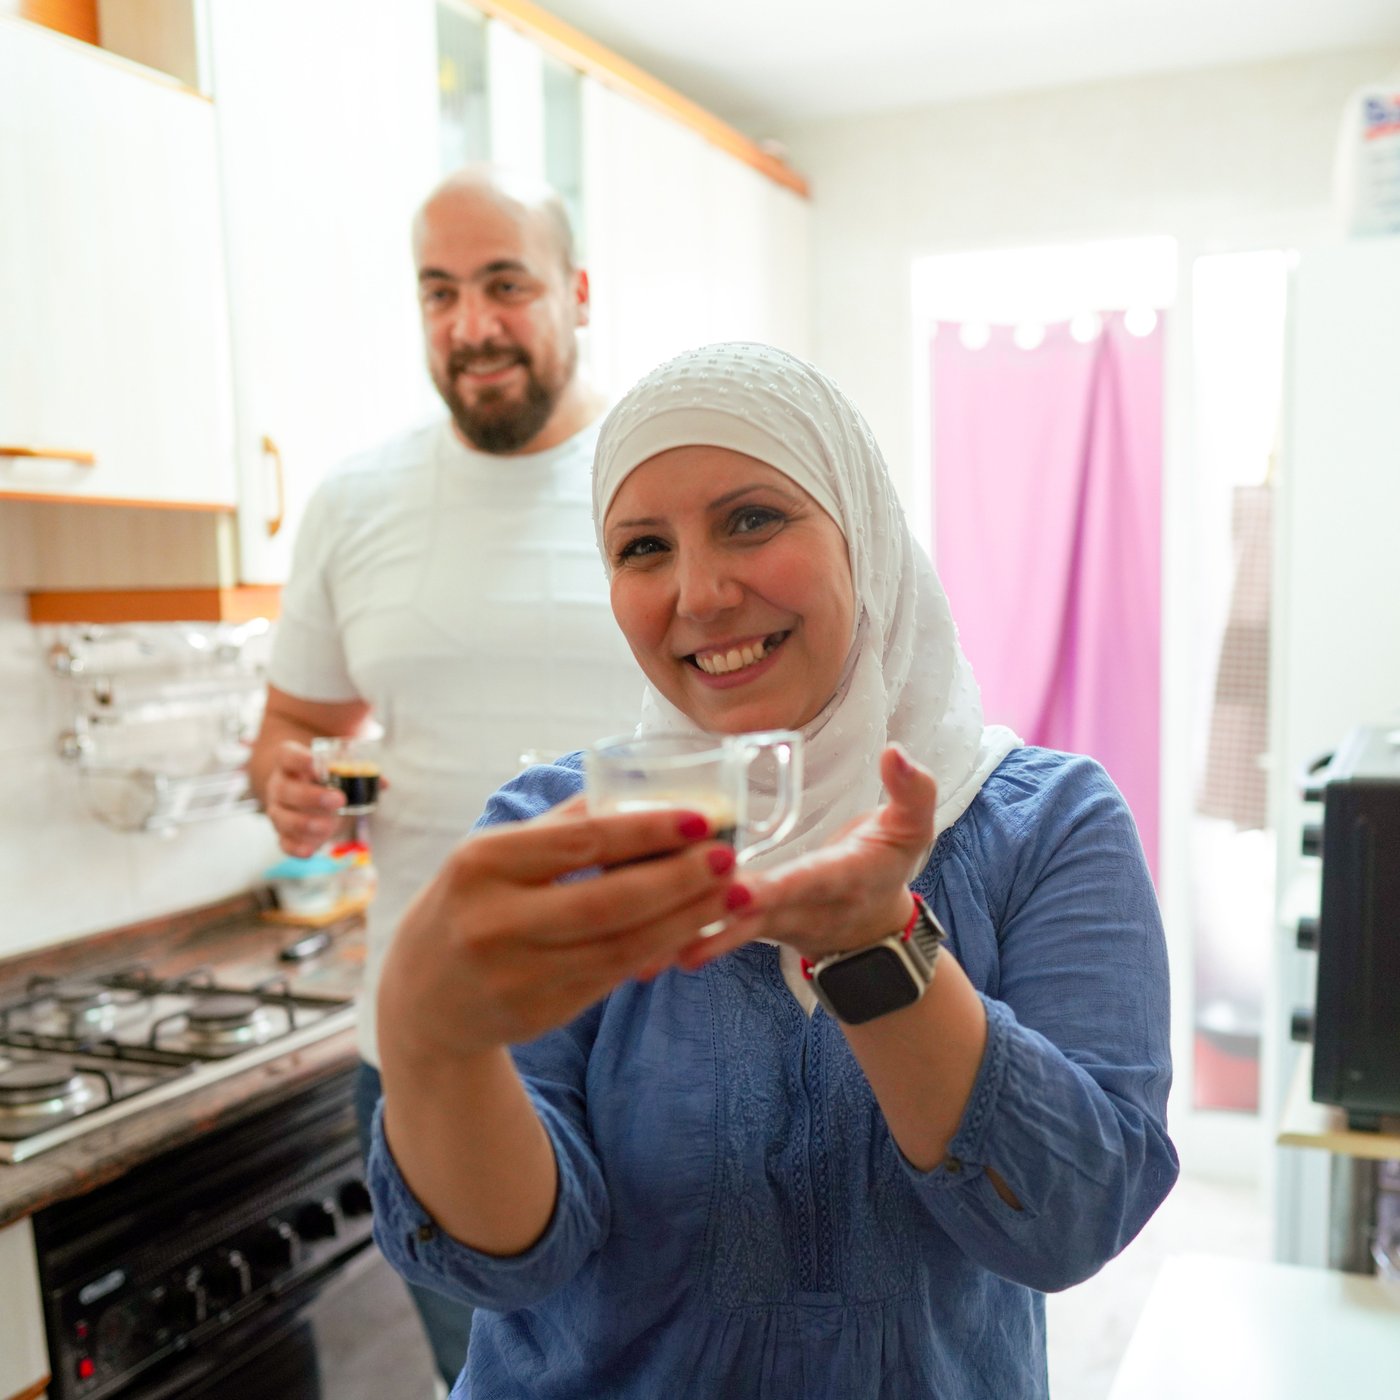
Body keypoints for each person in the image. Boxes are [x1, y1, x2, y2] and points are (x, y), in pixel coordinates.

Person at [368, 342, 1179, 1398]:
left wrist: (877, 945)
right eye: (642, 546)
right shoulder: (557, 834)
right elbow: (513, 1257)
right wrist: (432, 1045)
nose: (697, 593)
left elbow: (1073, 1220)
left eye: (751, 518)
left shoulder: (1046, 824)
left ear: (862, 532)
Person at [246, 165, 645, 1388]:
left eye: (504, 285)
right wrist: (291, 784)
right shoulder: (354, 500)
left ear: (575, 294)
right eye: (438, 291)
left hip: (660, 1035)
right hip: (430, 1054)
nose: (470, 325)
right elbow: (289, 730)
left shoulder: (659, 479)